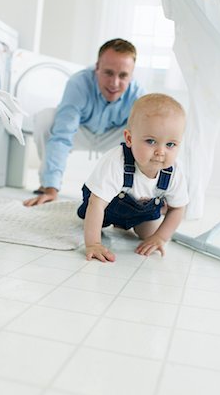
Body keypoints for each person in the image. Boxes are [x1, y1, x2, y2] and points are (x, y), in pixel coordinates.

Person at [24, 38, 145, 207]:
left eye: (123, 75)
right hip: (80, 132)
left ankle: (128, 194)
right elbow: (62, 135)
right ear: (97, 68)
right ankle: (47, 185)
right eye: (108, 73)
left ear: (131, 75)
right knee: (46, 119)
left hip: (114, 138)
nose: (114, 83)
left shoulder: (138, 94)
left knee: (142, 136)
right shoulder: (78, 83)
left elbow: (143, 146)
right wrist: (52, 188)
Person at [77, 93, 189, 262]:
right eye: (151, 141)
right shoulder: (116, 162)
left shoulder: (174, 171)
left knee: (149, 234)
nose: (161, 151)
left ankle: (130, 224)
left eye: (170, 144)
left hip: (142, 213)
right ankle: (112, 224)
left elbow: (178, 208)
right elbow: (97, 204)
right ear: (129, 139)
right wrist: (93, 244)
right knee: (91, 222)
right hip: (105, 207)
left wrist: (160, 237)